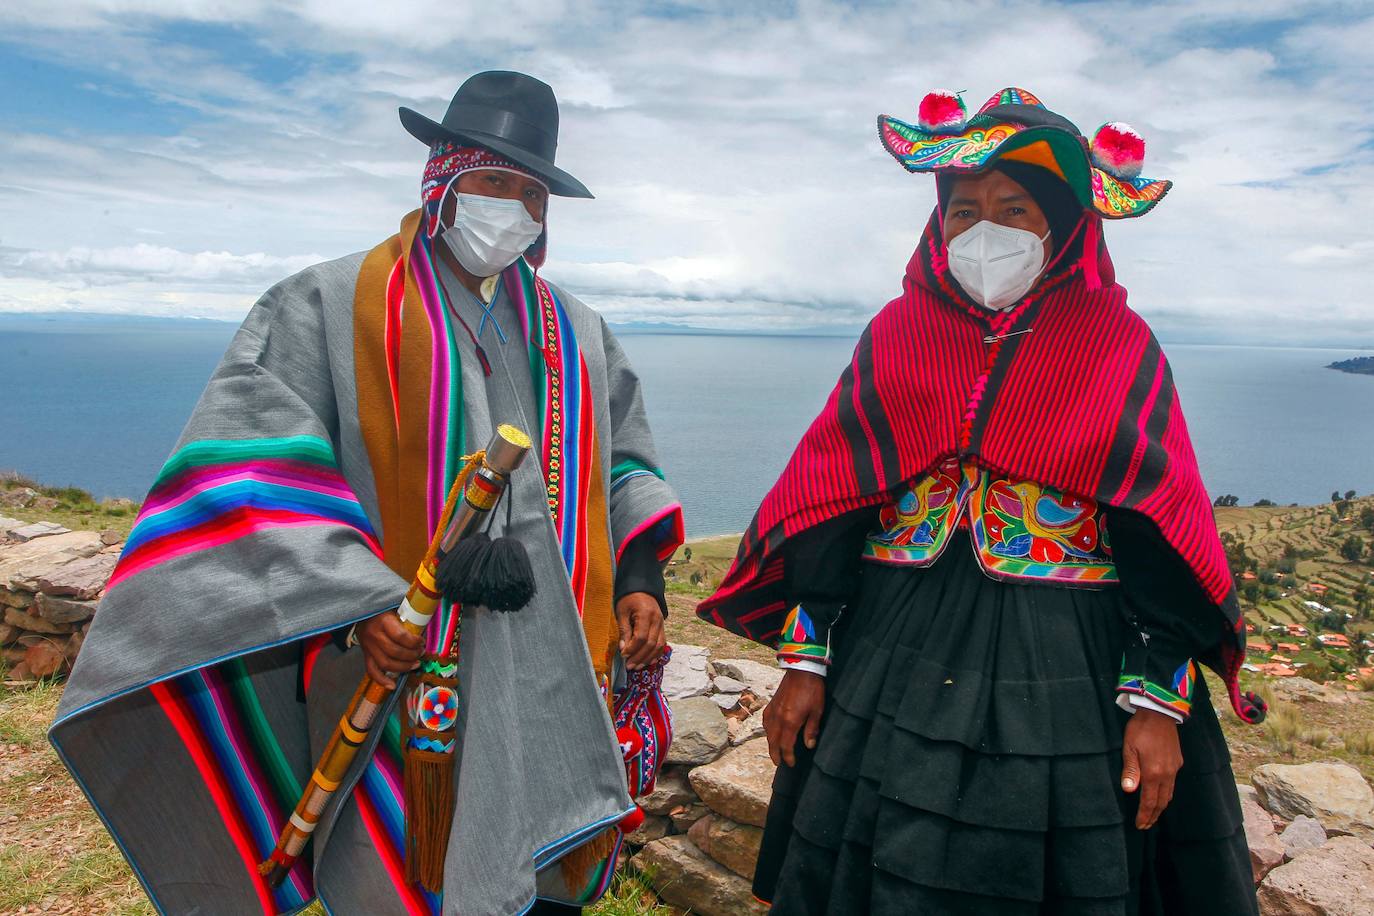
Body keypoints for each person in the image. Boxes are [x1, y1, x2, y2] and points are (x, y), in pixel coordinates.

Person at [51, 71, 684, 916]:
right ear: (445, 179)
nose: (515, 207)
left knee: (543, 862)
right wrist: (360, 603)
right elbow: (252, 470)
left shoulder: (578, 330)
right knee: (402, 870)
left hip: (552, 651)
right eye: (494, 181)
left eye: (532, 192)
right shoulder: (327, 304)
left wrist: (639, 577)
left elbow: (626, 459)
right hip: (397, 655)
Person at [698, 87, 1265, 915]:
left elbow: (1161, 529)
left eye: (1015, 208)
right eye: (964, 210)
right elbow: (832, 499)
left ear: (1067, 225)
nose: (984, 231)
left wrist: (1158, 703)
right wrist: (806, 659)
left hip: (1069, 669)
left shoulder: (1116, 344)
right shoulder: (899, 330)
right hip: (891, 649)